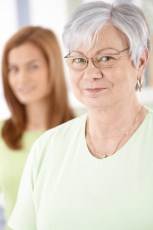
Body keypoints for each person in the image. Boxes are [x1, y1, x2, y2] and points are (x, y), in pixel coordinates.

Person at [9, 1, 153, 230]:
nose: (91, 73)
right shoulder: (47, 148)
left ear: (140, 60)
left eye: (106, 58)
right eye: (78, 60)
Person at [0, 25, 74, 229]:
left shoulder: (84, 129)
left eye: (33, 66)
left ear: (53, 67)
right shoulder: (2, 134)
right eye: (13, 69)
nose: (21, 79)